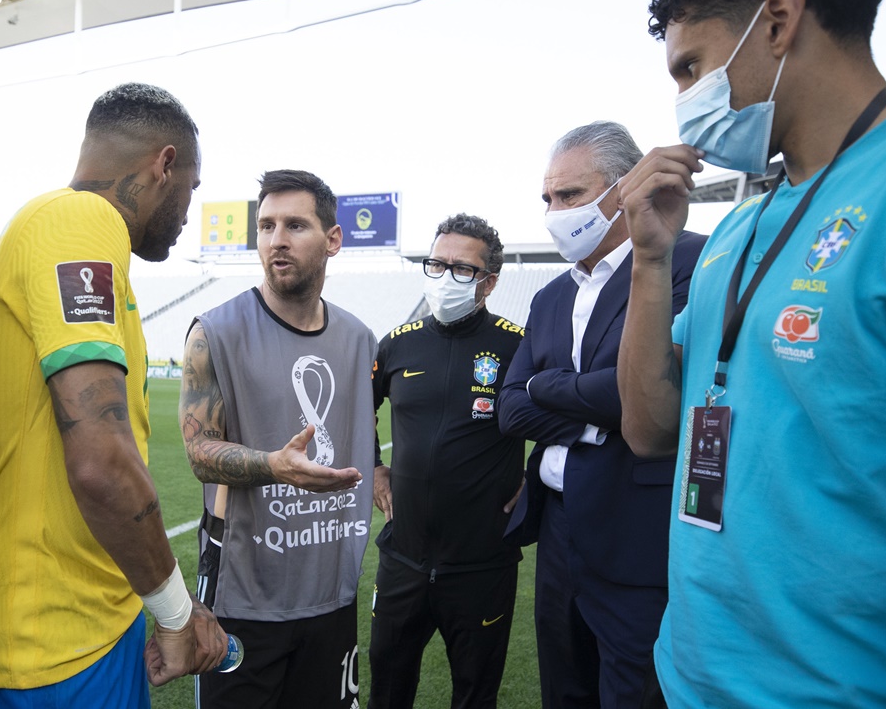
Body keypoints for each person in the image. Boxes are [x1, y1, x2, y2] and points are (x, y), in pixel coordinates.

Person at [618, 0, 886, 707]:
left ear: (777, 20)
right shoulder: (738, 227)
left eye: (691, 68)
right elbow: (650, 427)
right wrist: (650, 262)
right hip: (685, 678)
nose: (685, 100)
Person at [0, 83, 227, 707]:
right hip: (54, 639)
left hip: (78, 622)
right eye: (192, 185)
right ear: (164, 164)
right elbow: (102, 462)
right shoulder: (80, 221)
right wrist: (180, 615)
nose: (188, 207)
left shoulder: (69, 233)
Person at [497, 121, 706, 709]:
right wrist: (593, 410)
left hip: (635, 527)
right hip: (558, 531)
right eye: (548, 198)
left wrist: (551, 387)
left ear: (624, 189)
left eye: (570, 195)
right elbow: (511, 409)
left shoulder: (691, 262)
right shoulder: (550, 296)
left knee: (632, 689)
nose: (554, 212)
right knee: (563, 687)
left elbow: (642, 392)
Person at [179, 169, 377, 709]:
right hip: (245, 598)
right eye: (266, 226)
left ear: (333, 239)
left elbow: (369, 437)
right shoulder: (214, 332)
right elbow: (199, 450)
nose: (276, 240)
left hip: (331, 592)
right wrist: (274, 466)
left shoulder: (360, 340)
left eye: (295, 225)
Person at [368, 213, 526, 708]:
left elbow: (560, 415)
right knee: (387, 693)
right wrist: (374, 467)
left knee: (475, 696)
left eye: (462, 269)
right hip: (403, 558)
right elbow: (356, 411)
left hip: (483, 564)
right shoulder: (398, 342)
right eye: (436, 264)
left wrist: (536, 477)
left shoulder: (516, 344)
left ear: (488, 282)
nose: (445, 277)